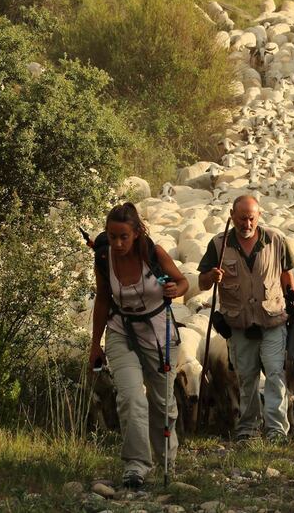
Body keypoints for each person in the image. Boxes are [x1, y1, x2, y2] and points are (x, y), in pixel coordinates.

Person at [89, 203, 189, 488]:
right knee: (131, 397)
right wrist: (96, 345)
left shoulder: (152, 254)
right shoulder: (104, 256)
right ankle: (136, 465)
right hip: (121, 330)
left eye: (123, 236)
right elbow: (103, 299)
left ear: (136, 234)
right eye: (112, 236)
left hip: (158, 332)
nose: (117, 243)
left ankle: (167, 460)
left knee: (162, 403)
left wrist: (175, 289)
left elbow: (182, 283)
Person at [198, 195, 294, 443]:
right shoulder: (219, 244)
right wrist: (212, 276)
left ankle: (276, 431)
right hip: (239, 324)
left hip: (272, 321)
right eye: (242, 218)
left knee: (275, 375)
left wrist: (293, 302)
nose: (247, 223)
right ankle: (248, 430)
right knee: (246, 378)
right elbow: (201, 282)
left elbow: (286, 274)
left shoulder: (275, 240)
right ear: (232, 215)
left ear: (259, 216)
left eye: (252, 218)